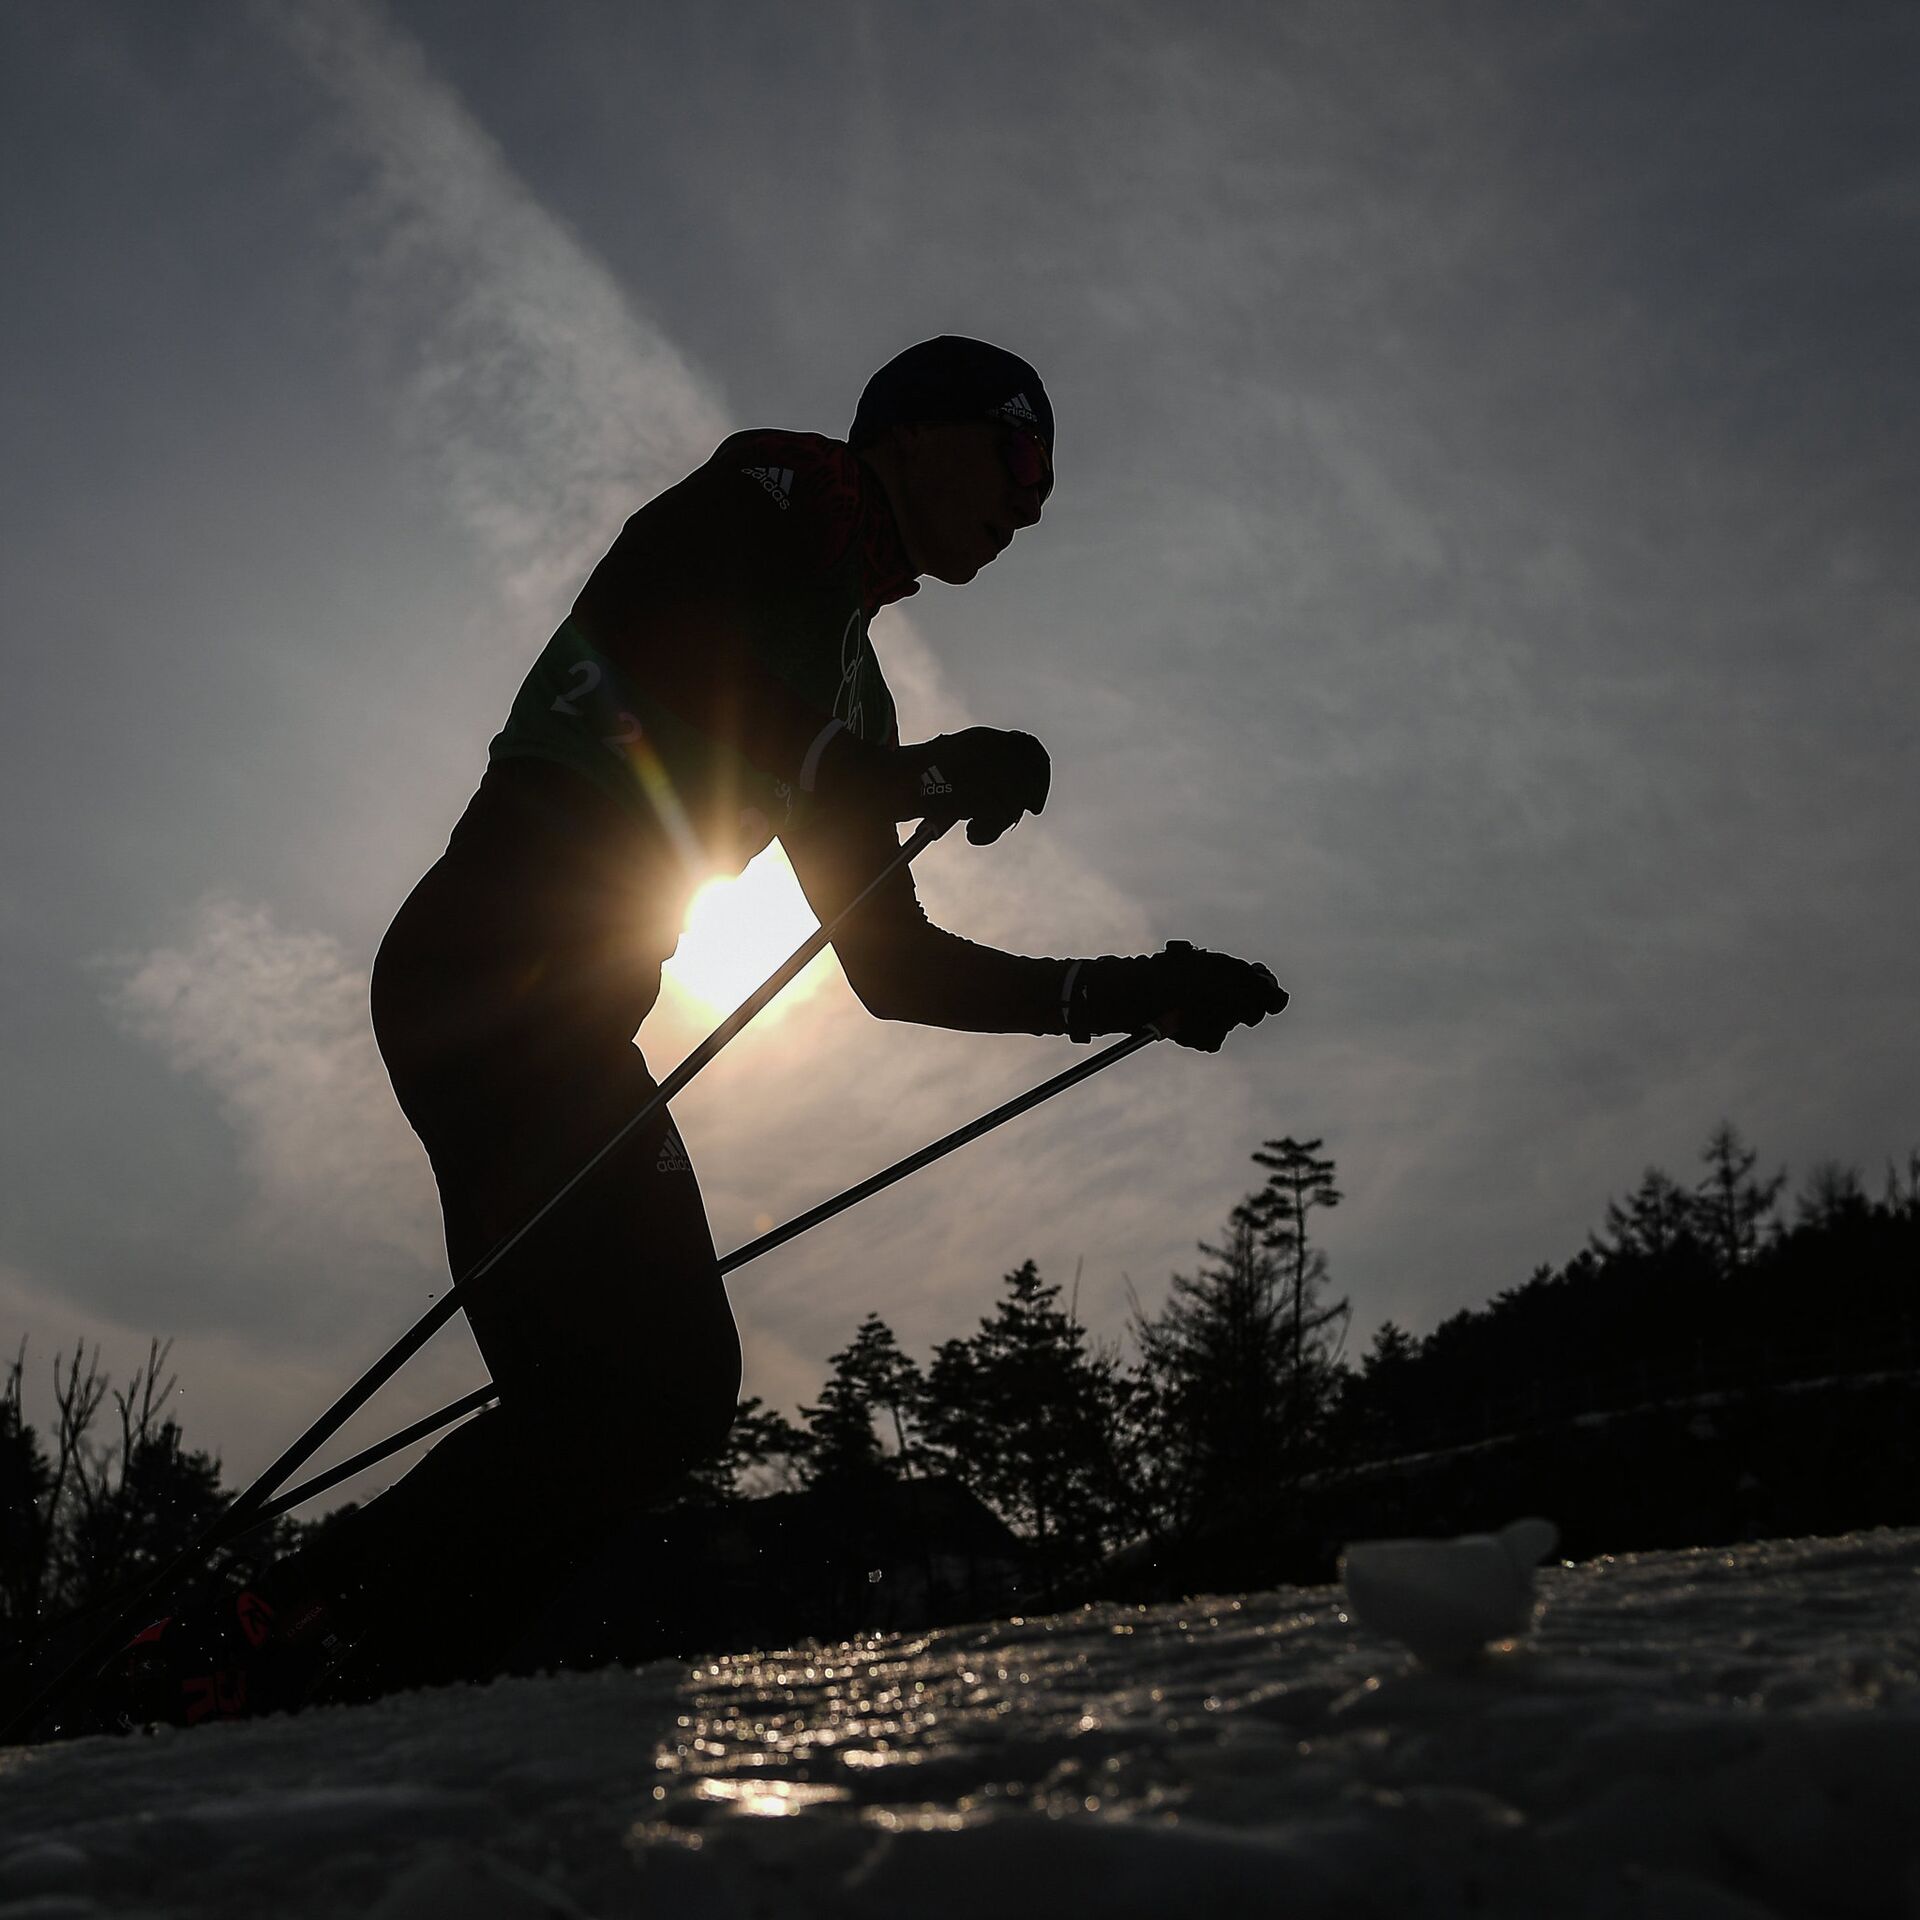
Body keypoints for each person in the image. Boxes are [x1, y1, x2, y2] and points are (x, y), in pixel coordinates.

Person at [96, 336, 1287, 1724]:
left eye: (1048, 483)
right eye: (1021, 453)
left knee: (619, 1401)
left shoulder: (851, 683)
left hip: (550, 1005)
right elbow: (673, 645)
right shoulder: (781, 494)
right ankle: (270, 1640)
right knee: (654, 1388)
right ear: (914, 432)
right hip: (501, 969)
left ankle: (352, 1678)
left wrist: (1130, 990)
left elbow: (893, 970)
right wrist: (903, 774)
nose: (1032, 501)